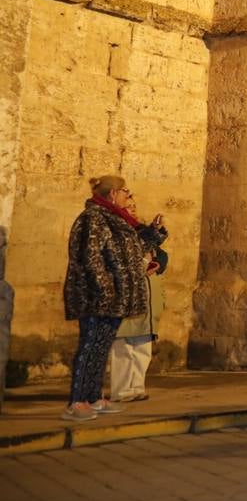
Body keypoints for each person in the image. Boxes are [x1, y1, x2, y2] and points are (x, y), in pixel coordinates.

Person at [62, 175, 148, 421]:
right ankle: (76, 401)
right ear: (113, 194)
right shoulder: (93, 218)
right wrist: (106, 289)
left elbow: (131, 254)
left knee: (101, 348)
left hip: (114, 298)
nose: (128, 196)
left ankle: (94, 397)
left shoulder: (116, 220)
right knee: (89, 347)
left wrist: (153, 235)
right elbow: (91, 258)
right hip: (96, 297)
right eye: (125, 191)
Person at [109, 193, 169, 402]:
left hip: (146, 296)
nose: (132, 209)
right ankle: (122, 390)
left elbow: (160, 253)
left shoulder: (140, 232)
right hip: (128, 295)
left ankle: (136, 387)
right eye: (128, 206)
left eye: (134, 206)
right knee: (124, 346)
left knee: (142, 347)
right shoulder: (116, 231)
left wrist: (157, 261)